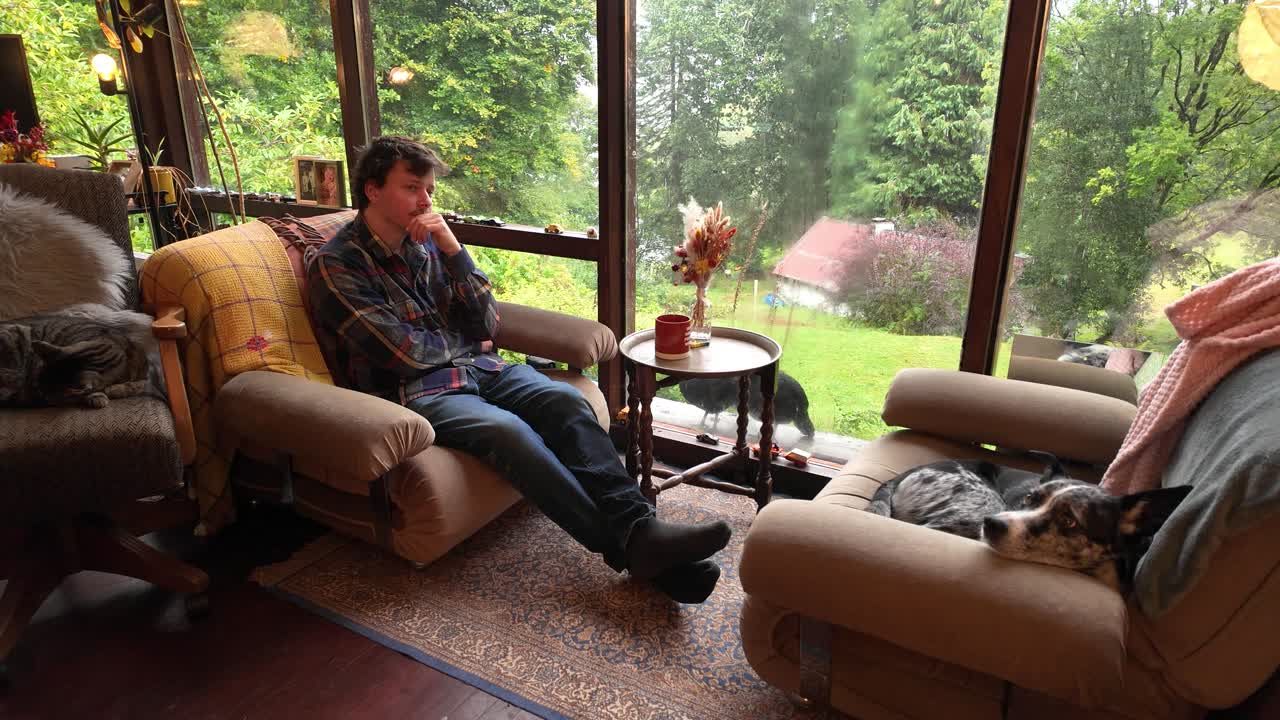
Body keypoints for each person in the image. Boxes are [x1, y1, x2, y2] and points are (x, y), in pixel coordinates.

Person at [307, 136, 730, 603]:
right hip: (419, 393)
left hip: (482, 368)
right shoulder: (336, 264)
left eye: (429, 189)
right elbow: (402, 353)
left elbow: (488, 323)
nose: (426, 201)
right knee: (510, 433)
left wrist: (453, 250)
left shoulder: (425, 245)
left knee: (565, 402)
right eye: (412, 188)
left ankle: (640, 529)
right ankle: (634, 550)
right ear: (372, 190)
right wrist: (465, 340)